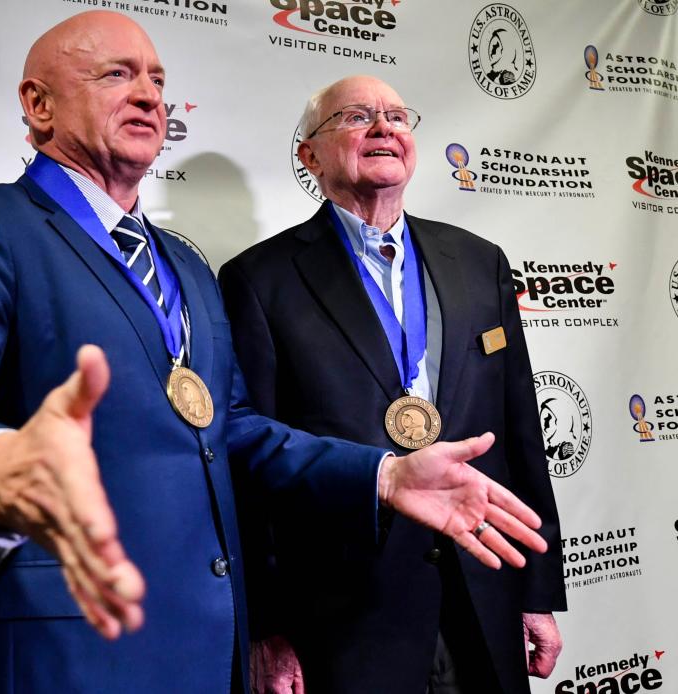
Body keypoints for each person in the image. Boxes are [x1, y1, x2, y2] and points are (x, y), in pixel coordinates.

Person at [0, 17, 549, 693]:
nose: (149, 94)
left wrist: (383, 476)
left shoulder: (182, 264)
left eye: (156, 79)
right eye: (116, 74)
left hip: (205, 645)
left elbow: (235, 432)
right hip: (62, 649)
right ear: (38, 103)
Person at [219, 75, 566, 694]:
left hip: (483, 584)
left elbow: (521, 428)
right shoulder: (258, 279)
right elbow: (251, 467)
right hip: (346, 612)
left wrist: (536, 591)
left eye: (396, 116)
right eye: (355, 117)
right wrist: (267, 627)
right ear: (310, 155)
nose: (383, 128)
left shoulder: (478, 260)